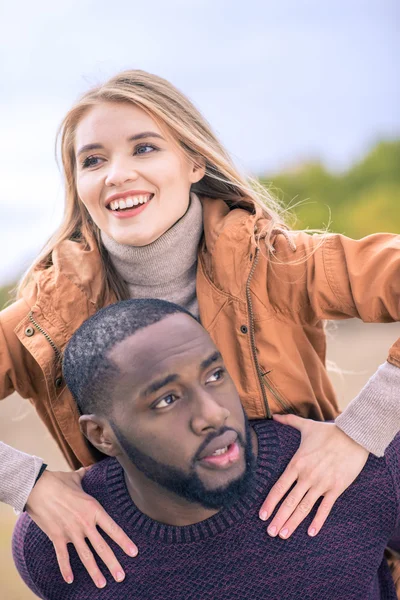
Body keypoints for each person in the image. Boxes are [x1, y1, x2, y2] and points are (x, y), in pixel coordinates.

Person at [1, 69, 400, 589]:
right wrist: (27, 484)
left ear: (194, 162)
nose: (116, 174)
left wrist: (362, 427)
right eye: (93, 160)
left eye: (144, 148)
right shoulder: (46, 316)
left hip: (314, 547)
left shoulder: (275, 262)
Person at [12, 299, 400, 599]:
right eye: (166, 400)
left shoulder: (359, 469)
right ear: (101, 435)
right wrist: (23, 480)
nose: (213, 415)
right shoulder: (55, 547)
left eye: (215, 375)